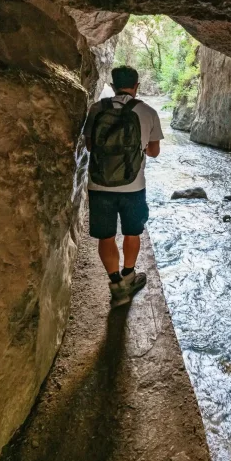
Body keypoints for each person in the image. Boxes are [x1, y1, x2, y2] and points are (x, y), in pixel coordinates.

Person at [83, 66, 164, 306]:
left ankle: (116, 285)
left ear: (113, 84)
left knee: (105, 236)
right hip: (134, 186)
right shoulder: (147, 111)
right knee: (132, 231)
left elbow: (89, 147)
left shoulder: (97, 109)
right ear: (136, 86)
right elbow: (154, 152)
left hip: (99, 185)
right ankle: (130, 275)